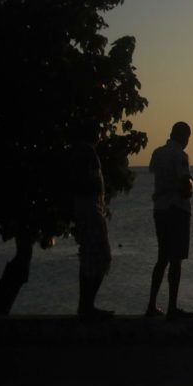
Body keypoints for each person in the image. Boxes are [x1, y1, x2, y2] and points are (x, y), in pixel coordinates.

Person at [147, 122, 193, 319]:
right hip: (177, 209)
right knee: (176, 260)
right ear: (183, 136)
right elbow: (185, 182)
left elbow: (153, 171)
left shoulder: (158, 153)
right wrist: (189, 188)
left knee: (162, 257)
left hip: (160, 208)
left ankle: (151, 304)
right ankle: (172, 307)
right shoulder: (181, 156)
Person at [70, 122, 113, 319]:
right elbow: (84, 179)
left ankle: (86, 304)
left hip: (88, 208)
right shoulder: (86, 152)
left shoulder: (82, 151)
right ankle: (87, 305)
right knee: (101, 256)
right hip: (90, 209)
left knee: (90, 256)